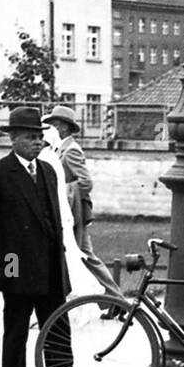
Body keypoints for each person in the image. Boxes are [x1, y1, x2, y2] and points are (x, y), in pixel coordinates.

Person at [0, 106, 99, 367]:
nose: (37, 142)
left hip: (51, 268)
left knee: (58, 330)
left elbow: (53, 218)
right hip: (17, 269)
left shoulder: (49, 171)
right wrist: (0, 261)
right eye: (29, 137)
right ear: (13, 139)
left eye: (39, 136)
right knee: (16, 332)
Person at [41, 105, 124, 299]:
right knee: (86, 257)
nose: (50, 128)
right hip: (73, 213)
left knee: (85, 258)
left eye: (53, 124)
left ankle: (115, 301)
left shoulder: (70, 150)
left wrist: (65, 194)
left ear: (62, 127)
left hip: (74, 213)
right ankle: (114, 301)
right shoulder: (61, 149)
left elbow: (85, 182)